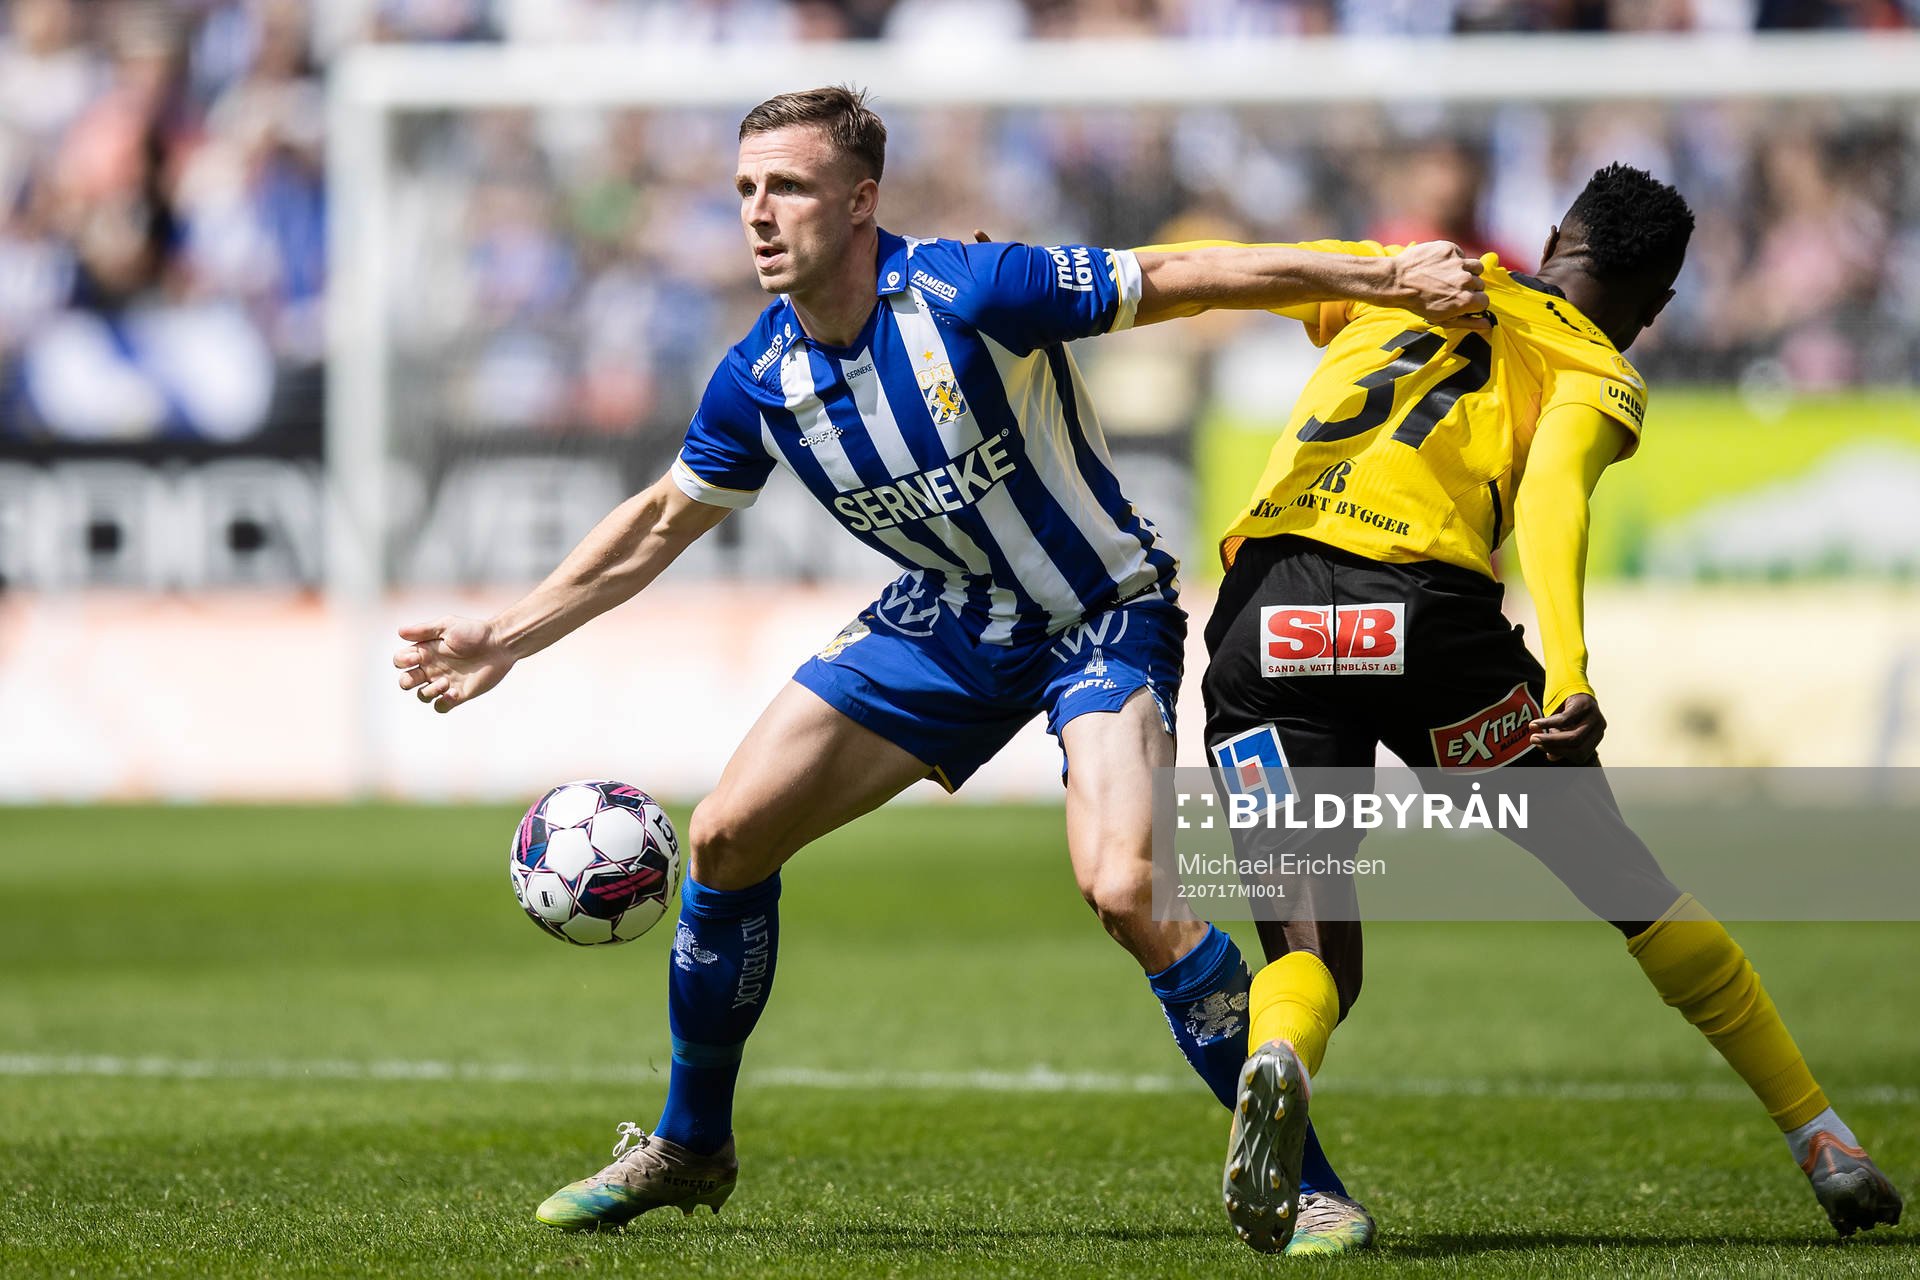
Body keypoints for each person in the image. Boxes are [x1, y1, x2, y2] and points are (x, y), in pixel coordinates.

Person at [391, 85, 1490, 1234]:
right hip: (946, 619)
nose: (760, 214)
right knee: (723, 836)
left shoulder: (972, 291)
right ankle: (691, 1142)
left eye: (791, 188)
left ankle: (1304, 1182)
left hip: (1097, 612)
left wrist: (1386, 272)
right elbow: (665, 518)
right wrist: (504, 636)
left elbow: (1178, 276)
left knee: (1126, 888)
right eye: (746, 191)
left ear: (862, 201)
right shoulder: (761, 374)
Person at [1180, 163, 1905, 1252]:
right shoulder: (1593, 362)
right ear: (1655, 310)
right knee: (1630, 887)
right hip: (1426, 625)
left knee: (1313, 948)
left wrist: (1058, 310)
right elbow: (1556, 492)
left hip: (1264, 622)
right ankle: (1824, 1136)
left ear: (1557, 230)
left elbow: (1235, 276)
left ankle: (1281, 1052)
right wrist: (1568, 670)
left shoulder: (1417, 276)